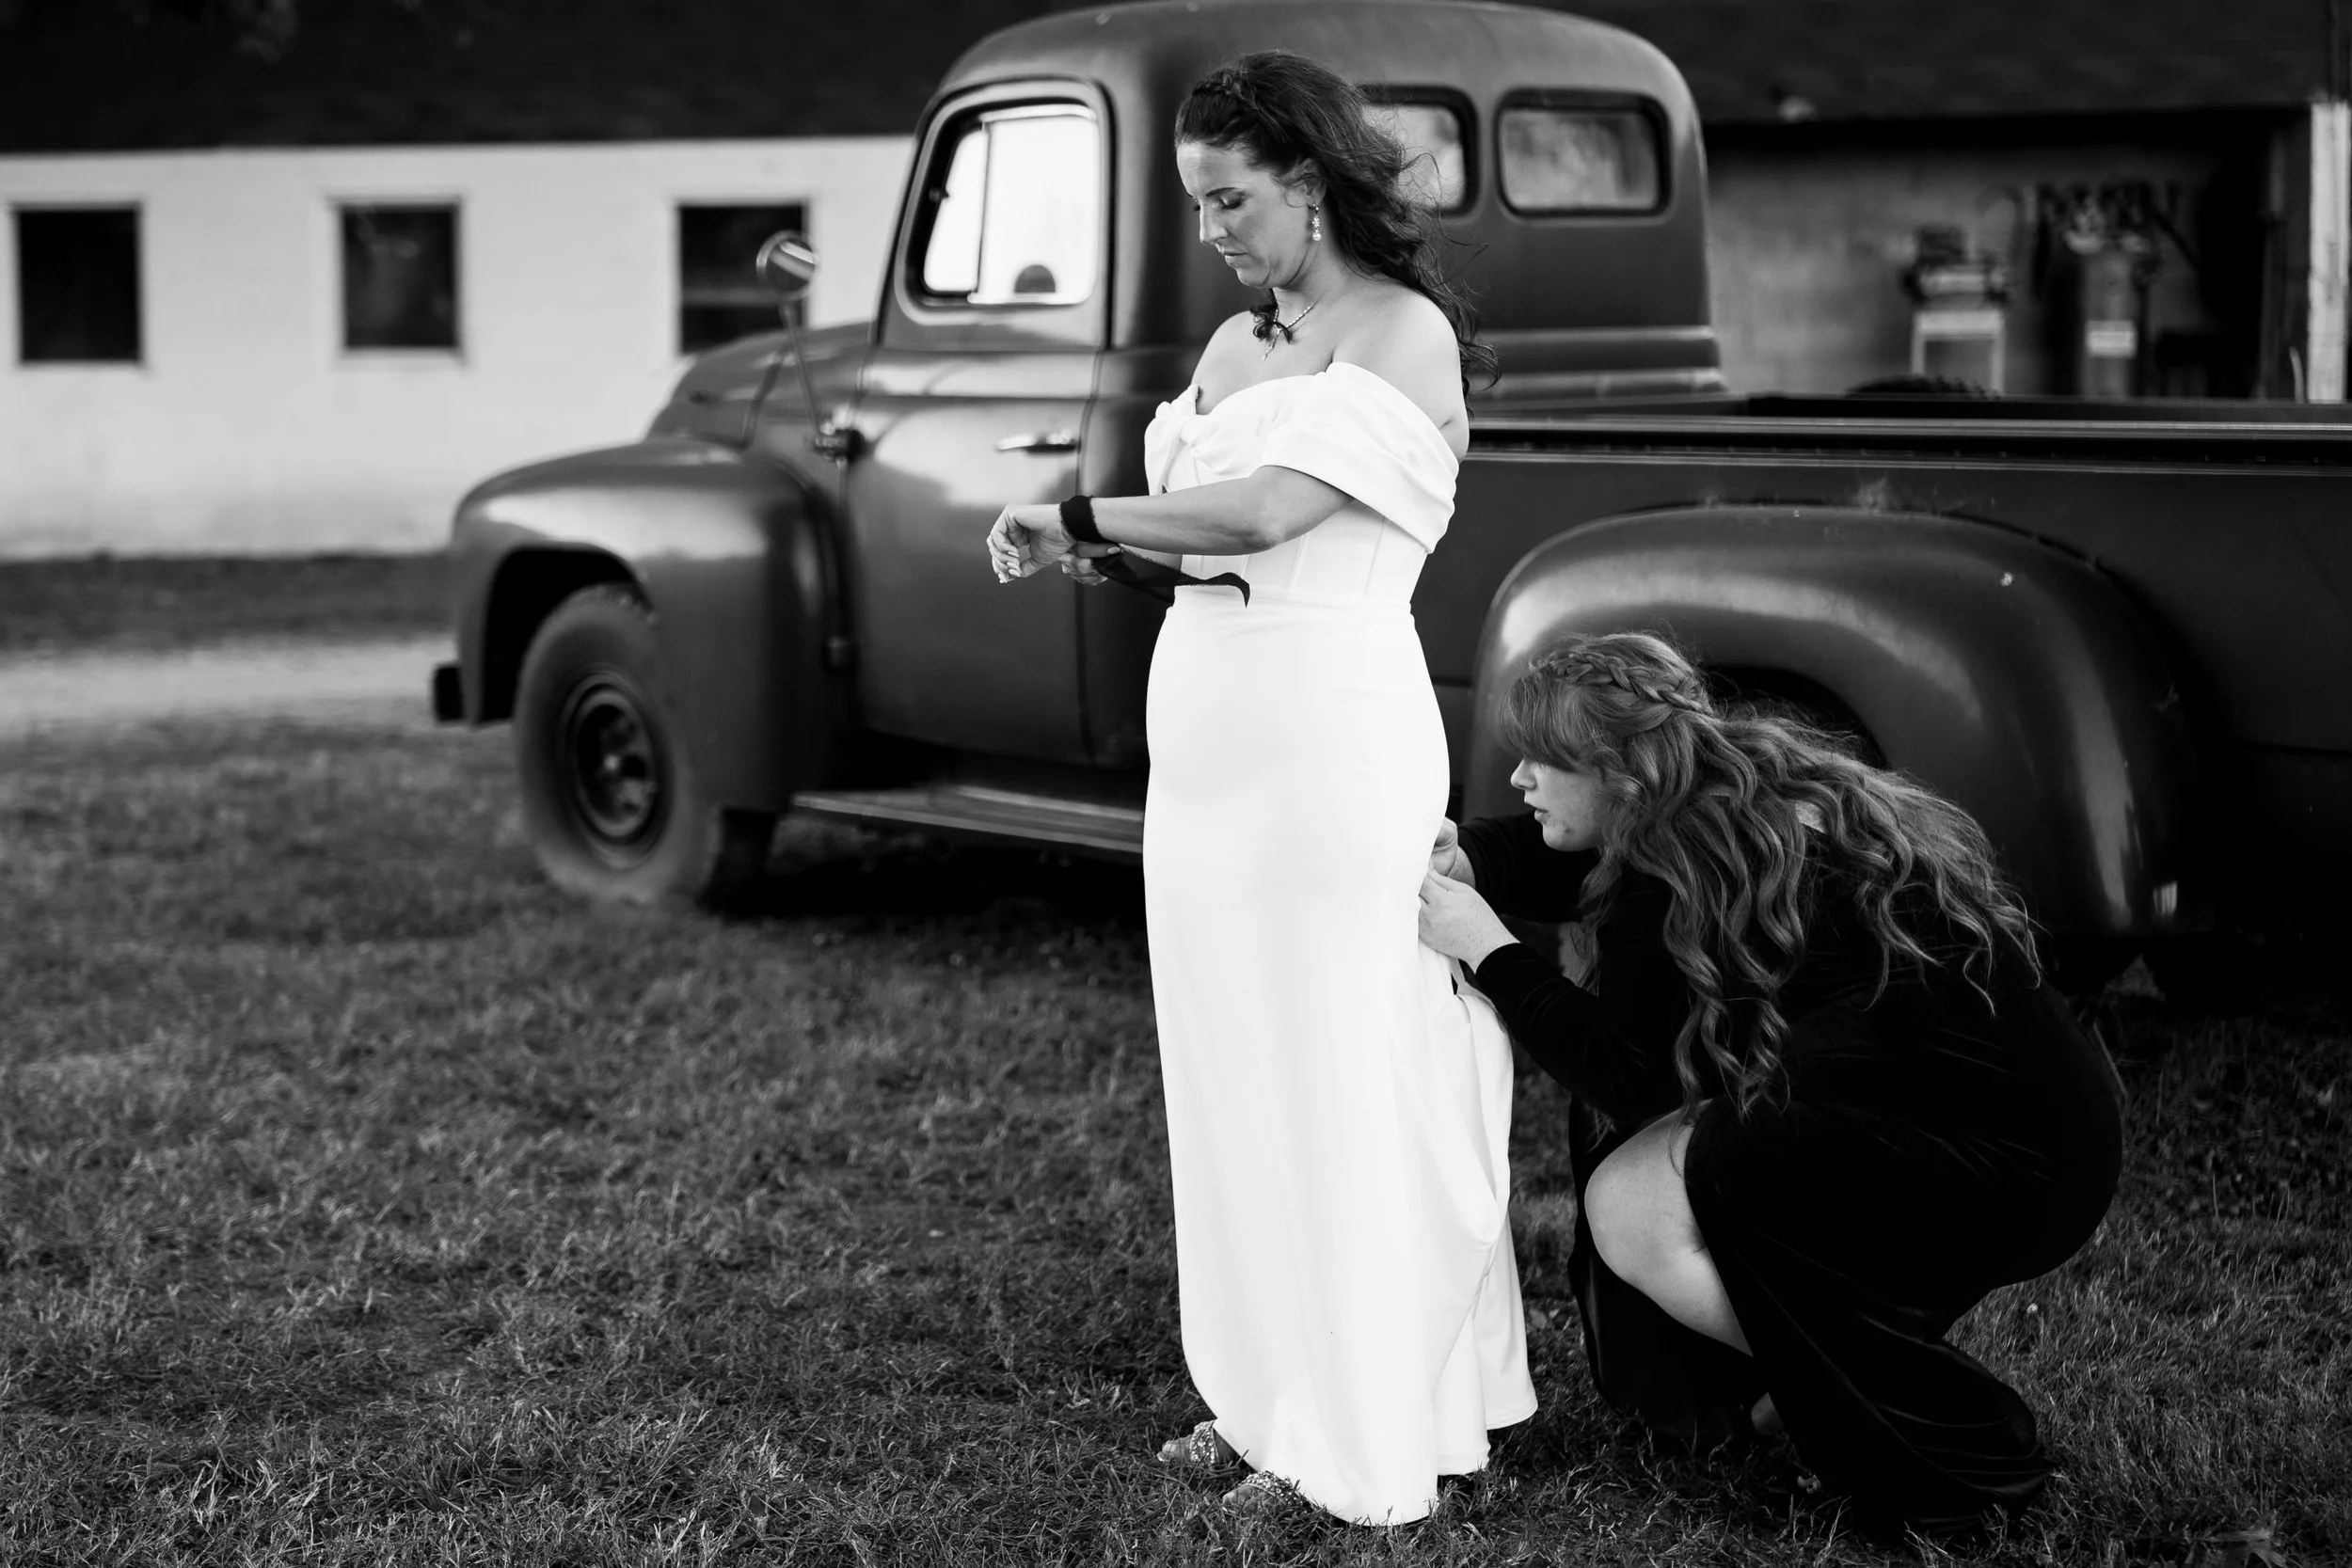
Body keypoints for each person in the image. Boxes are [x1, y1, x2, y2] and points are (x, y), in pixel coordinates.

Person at [985, 52, 1535, 1526]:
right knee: (1231, 1061)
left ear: (1308, 178)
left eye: (1230, 198)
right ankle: (1264, 1391)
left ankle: (1362, 1434)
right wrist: (1100, 549)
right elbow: (1201, 543)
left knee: (1334, 1056)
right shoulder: (1238, 342)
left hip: (1331, 724)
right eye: (1196, 204)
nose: (1213, 230)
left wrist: (1078, 507)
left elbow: (1279, 509)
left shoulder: (1401, 333)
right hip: (1214, 723)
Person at [1415, 632, 2124, 1533]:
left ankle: (1922, 1416)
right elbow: (1566, 844)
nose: (1517, 778)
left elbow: (1626, 1075)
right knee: (1683, 1162)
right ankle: (1798, 1386)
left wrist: (1492, 951)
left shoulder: (1672, 868)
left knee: (1634, 1201)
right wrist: (1478, 856)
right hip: (2039, 1135)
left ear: (1622, 774)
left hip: (1999, 1158)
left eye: (1544, 760)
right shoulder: (1718, 792)